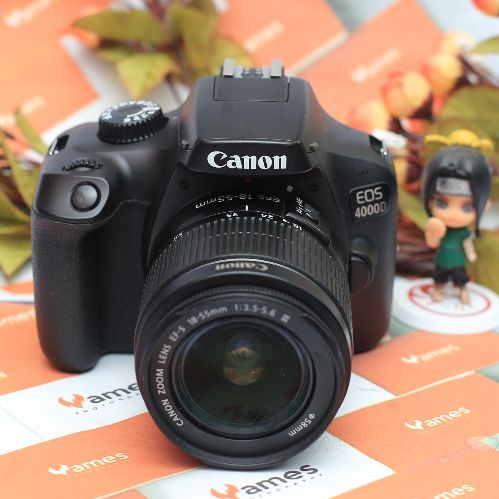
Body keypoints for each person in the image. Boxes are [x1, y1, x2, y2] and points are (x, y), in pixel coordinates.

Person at [421, 134, 492, 304]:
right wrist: (433, 234)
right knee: (439, 275)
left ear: (484, 205)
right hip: (442, 258)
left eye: (467, 207)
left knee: (460, 276)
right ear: (429, 200)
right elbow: (433, 243)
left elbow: (467, 243)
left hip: (458, 260)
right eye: (442, 203)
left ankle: (463, 289)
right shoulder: (439, 227)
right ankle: (439, 288)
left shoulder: (463, 232)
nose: (453, 214)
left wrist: (471, 254)